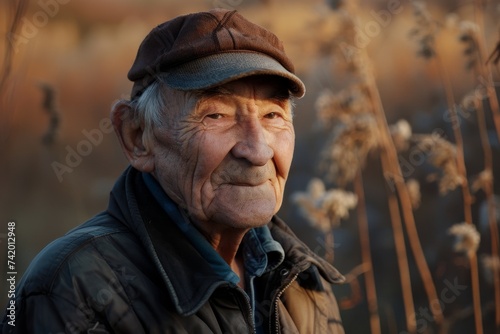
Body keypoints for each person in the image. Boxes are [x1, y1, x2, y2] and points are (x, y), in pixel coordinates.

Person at [1, 8, 345, 333]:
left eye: (273, 115)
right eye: (216, 116)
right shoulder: (72, 292)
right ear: (137, 137)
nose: (257, 151)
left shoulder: (302, 280)